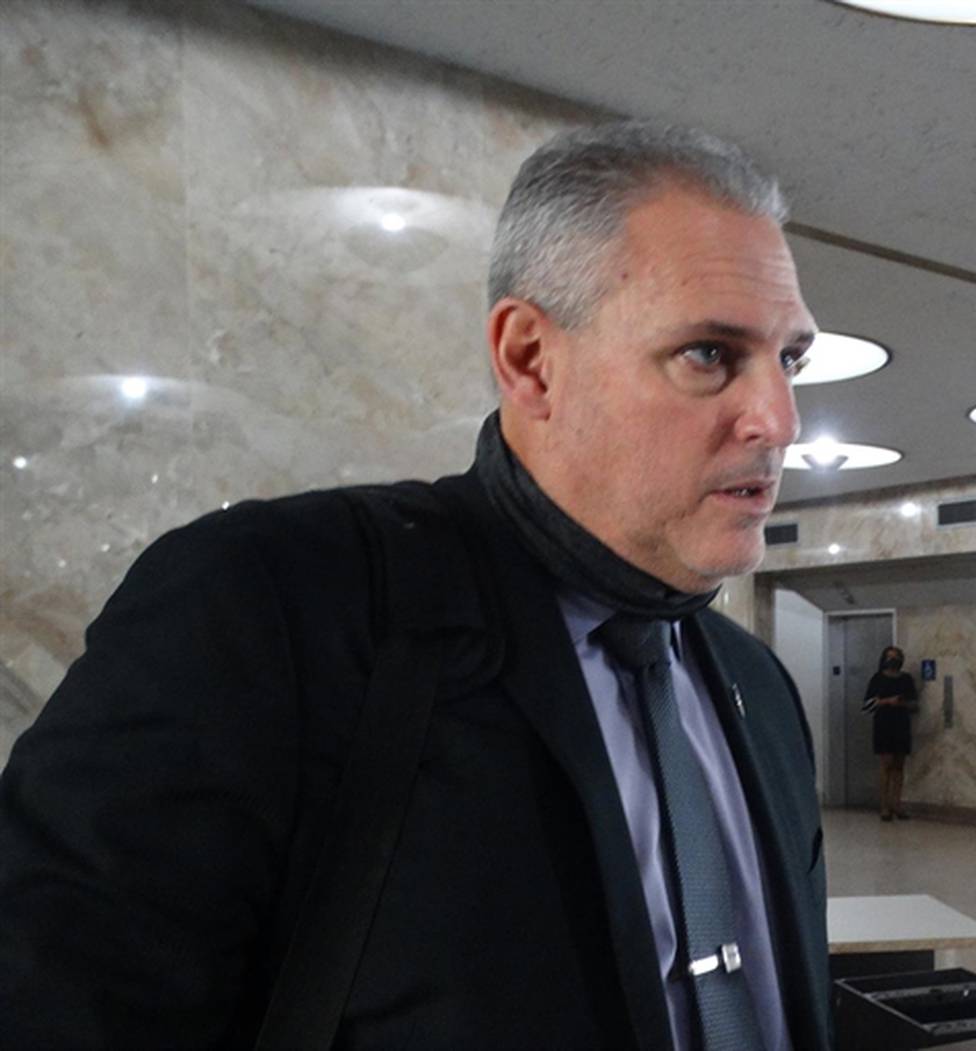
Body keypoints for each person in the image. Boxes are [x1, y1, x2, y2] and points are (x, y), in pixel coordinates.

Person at [0, 122, 831, 1050]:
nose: (778, 419)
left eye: (790, 358)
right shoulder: (271, 609)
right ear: (529, 360)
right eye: (710, 355)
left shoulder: (759, 689)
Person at [863, 645, 919, 822]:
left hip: (901, 724)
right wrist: (887, 701)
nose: (892, 660)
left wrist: (902, 703)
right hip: (883, 724)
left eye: (896, 657)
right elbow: (867, 705)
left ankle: (897, 803)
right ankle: (884, 806)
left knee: (899, 765)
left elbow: (914, 704)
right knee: (886, 764)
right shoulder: (877, 679)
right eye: (889, 657)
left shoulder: (906, 679)